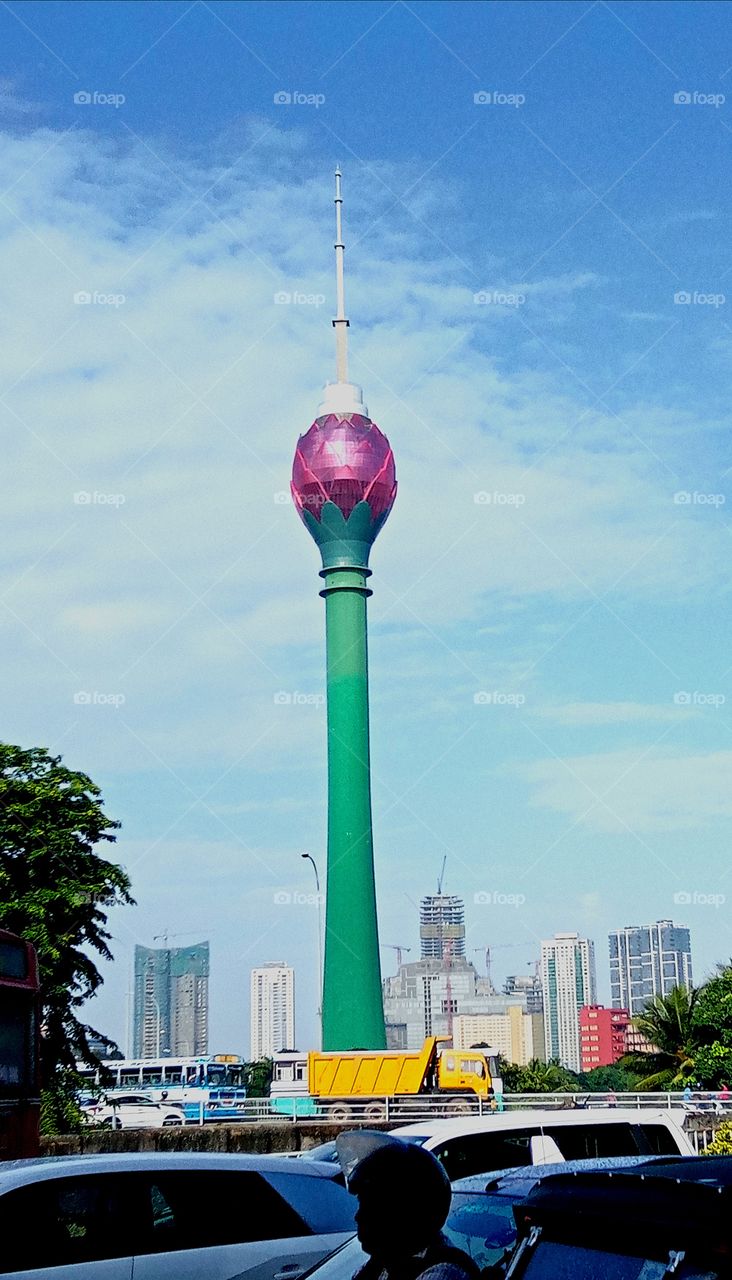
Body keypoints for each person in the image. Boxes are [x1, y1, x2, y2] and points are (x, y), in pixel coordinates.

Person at [346, 1139, 480, 1280]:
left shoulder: (444, 1271)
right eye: (362, 1205)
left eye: (371, 1208)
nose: (358, 1216)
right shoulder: (380, 1264)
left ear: (406, 1213)